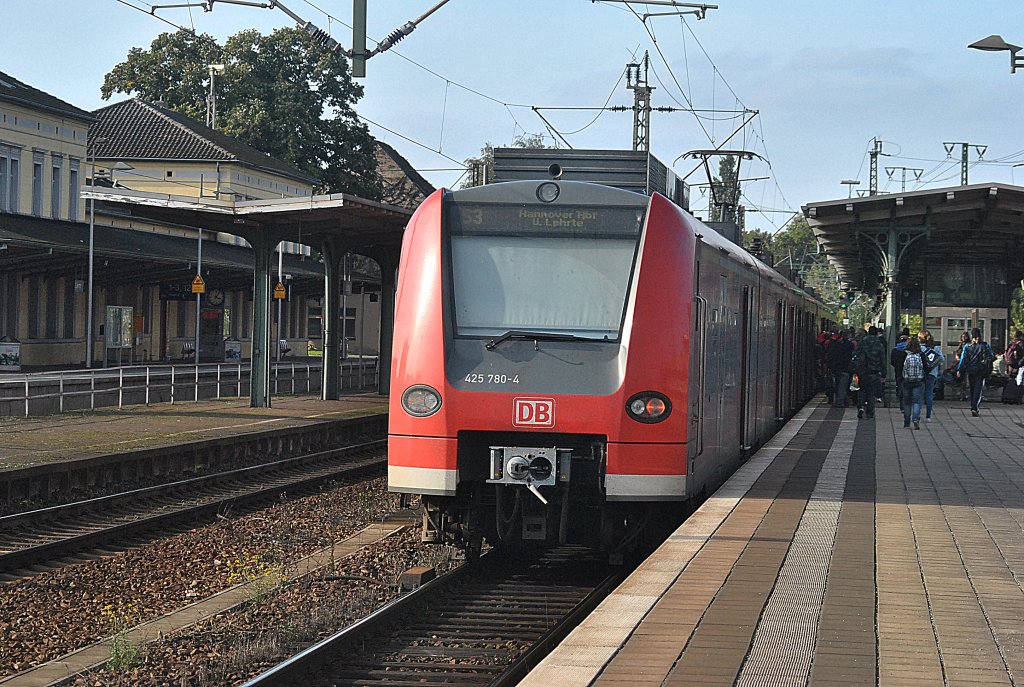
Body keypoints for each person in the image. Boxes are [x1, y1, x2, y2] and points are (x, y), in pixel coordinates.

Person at [956, 327, 996, 417]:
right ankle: (975, 407)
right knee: (978, 389)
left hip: (971, 370)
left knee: (972, 389)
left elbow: (963, 359)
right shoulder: (984, 345)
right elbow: (991, 356)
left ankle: (973, 406)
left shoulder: (967, 346)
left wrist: (959, 369)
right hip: (981, 370)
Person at [857, 325, 887, 419]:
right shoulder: (879, 344)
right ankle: (869, 412)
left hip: (862, 371)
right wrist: (884, 372)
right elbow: (882, 359)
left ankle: (861, 407)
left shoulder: (862, 342)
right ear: (877, 333)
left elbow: (856, 354)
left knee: (862, 390)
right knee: (871, 392)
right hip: (874, 371)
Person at [920, 331, 945, 422]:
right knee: (929, 393)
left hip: (921, 373)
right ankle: (928, 416)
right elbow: (941, 359)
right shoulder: (935, 348)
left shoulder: (920, 348)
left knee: (919, 393)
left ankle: (917, 414)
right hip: (932, 373)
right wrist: (933, 365)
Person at [826, 329, 854, 409]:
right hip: (846, 368)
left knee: (838, 385)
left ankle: (842, 401)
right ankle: (841, 402)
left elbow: (832, 356)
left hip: (837, 368)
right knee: (844, 386)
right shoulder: (850, 345)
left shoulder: (837, 344)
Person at [902, 336, 926, 429]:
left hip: (907, 381)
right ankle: (915, 419)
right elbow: (925, 367)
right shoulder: (920, 355)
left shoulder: (905, 355)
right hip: (918, 381)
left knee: (907, 402)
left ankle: (907, 422)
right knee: (917, 402)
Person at [890, 328, 910, 409]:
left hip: (898, 370)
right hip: (908, 371)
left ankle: (901, 401)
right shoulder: (909, 350)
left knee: (900, 385)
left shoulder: (895, 349)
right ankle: (906, 402)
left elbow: (892, 362)